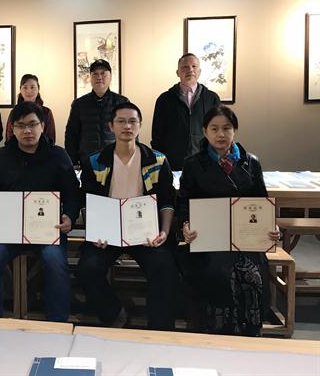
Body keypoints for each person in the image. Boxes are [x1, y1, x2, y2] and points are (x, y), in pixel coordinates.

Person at [178, 105, 280, 336]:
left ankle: (250, 330)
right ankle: (218, 330)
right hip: (209, 239)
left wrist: (270, 226)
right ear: (205, 131)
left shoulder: (251, 162)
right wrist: (185, 225)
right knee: (217, 272)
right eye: (214, 128)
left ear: (235, 131)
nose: (221, 134)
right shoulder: (193, 164)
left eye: (227, 128)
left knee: (252, 274)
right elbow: (184, 202)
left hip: (246, 238)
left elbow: (262, 202)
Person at [77, 101, 178, 331]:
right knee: (87, 269)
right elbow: (88, 201)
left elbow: (167, 200)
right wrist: (95, 232)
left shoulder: (158, 161)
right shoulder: (95, 161)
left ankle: (160, 329)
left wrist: (163, 232)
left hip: (145, 234)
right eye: (121, 121)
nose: (127, 126)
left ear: (140, 125)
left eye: (133, 121)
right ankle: (114, 314)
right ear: (111, 126)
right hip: (108, 234)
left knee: (165, 267)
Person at [0, 102, 80, 322]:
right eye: (21, 125)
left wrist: (70, 217)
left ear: (42, 126)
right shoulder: (1, 156)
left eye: (33, 124)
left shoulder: (58, 155)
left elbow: (73, 193)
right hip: (8, 232)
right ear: (12, 129)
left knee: (55, 261)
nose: (27, 131)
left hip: (47, 231)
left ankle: (57, 322)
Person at [151, 53, 221, 170]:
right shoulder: (164, 99)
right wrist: (160, 163)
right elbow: (157, 135)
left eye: (194, 66)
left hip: (205, 161)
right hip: (173, 163)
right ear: (177, 72)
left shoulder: (212, 98)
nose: (190, 70)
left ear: (199, 71)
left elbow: (219, 129)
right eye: (185, 67)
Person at [65, 59, 128, 166]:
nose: (99, 77)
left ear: (110, 77)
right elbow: (71, 135)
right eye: (95, 74)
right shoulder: (79, 104)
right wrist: (73, 161)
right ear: (90, 77)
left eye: (103, 73)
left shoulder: (122, 102)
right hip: (87, 162)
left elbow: (130, 132)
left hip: (116, 161)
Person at [5, 74, 56, 143]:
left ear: (38, 89)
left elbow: (51, 139)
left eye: (32, 87)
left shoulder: (46, 112)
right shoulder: (14, 111)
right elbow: (9, 138)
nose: (29, 91)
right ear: (20, 90)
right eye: (25, 87)